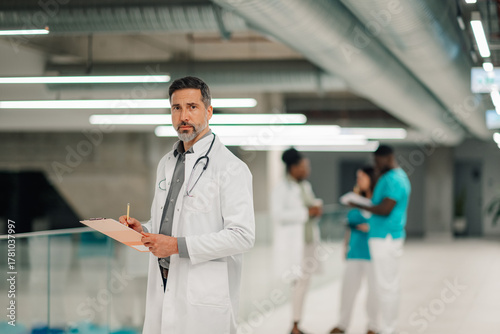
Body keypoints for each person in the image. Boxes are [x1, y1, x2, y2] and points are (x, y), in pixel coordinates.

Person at [118, 76, 255, 334]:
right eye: (176, 108)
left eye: (192, 107)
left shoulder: (231, 168)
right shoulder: (166, 163)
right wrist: (143, 230)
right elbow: (169, 222)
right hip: (164, 281)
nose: (184, 116)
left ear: (209, 111)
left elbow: (243, 237)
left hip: (202, 291)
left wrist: (177, 246)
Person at [353, 145, 411, 334]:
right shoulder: (391, 178)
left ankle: (388, 328)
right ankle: (386, 326)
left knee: (387, 286)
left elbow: (385, 209)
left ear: (388, 158)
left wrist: (358, 203)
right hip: (382, 237)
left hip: (385, 238)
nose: (376, 166)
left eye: (378, 161)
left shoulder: (394, 179)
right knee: (385, 284)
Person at [271, 148, 323, 334]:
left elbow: (307, 206)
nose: (306, 170)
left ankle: (296, 323)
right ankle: (294, 325)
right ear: (293, 167)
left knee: (303, 284)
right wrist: (306, 213)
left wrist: (315, 210)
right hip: (294, 244)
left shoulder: (305, 186)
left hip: (308, 242)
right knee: (299, 284)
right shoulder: (281, 188)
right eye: (303, 166)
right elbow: (278, 215)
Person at [330, 166, 378, 334]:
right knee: (347, 290)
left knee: (373, 292)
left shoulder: (379, 202)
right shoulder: (354, 200)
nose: (358, 181)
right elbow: (349, 228)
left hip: (372, 254)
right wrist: (345, 247)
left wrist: (370, 228)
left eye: (362, 177)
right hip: (355, 252)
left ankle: (373, 325)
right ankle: (342, 324)